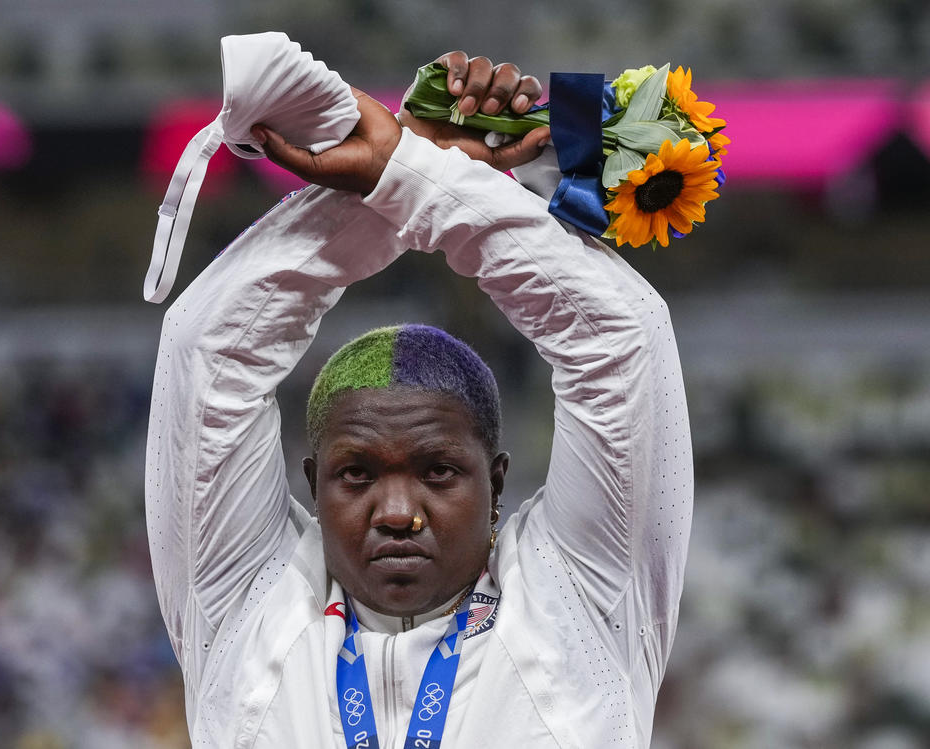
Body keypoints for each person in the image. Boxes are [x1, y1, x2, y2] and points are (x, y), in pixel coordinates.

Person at [145, 51, 693, 748]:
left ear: (495, 481)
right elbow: (209, 347)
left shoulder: (583, 598)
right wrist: (412, 170)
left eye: (438, 471)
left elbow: (623, 337)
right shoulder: (244, 600)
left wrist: (407, 173)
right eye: (357, 474)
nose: (398, 513)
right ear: (313, 483)